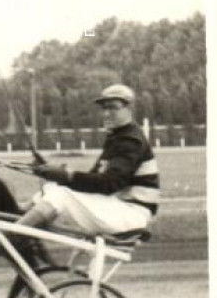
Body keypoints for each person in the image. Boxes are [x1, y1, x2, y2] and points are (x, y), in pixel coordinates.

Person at [18, 84, 159, 238]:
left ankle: (13, 235)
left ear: (130, 109)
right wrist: (52, 172)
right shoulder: (118, 137)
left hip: (132, 215)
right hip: (120, 209)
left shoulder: (131, 141)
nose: (106, 114)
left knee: (61, 194)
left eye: (113, 108)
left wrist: (67, 176)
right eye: (104, 108)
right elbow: (93, 181)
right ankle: (22, 217)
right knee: (53, 188)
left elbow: (109, 184)